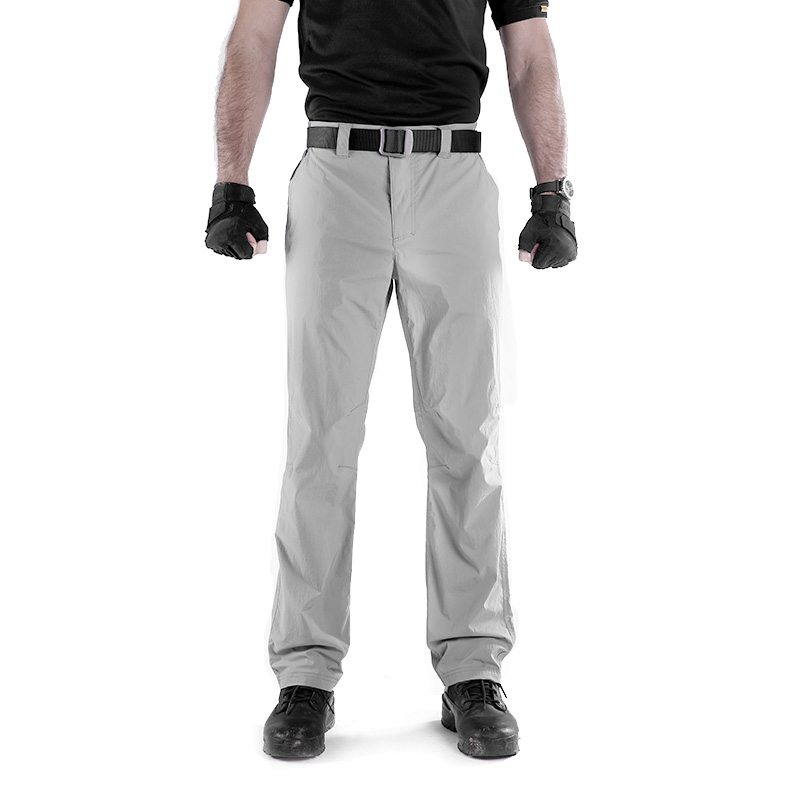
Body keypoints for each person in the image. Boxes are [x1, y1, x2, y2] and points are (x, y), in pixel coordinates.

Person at [205, 0, 577, 760]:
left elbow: (531, 52)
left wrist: (554, 189)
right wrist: (230, 181)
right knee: (320, 434)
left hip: (453, 171)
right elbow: (253, 35)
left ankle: (473, 667)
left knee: (467, 434)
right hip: (335, 172)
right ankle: (305, 672)